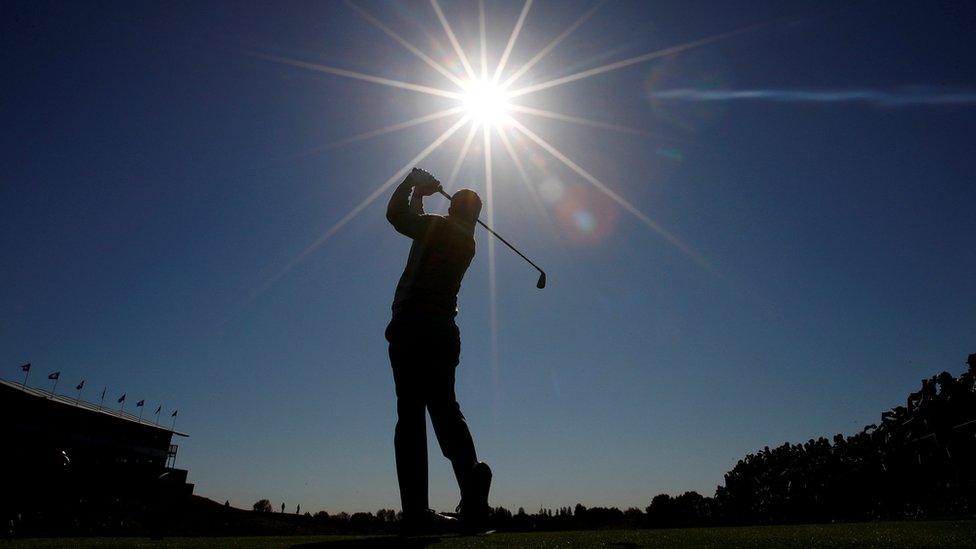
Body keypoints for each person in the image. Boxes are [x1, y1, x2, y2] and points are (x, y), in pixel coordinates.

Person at [385, 168, 492, 534]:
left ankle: (416, 510)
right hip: (444, 332)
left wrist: (411, 184)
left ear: (452, 210)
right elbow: (418, 223)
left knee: (411, 415)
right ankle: (472, 486)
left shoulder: (439, 227)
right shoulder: (466, 241)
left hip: (413, 326)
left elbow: (397, 217)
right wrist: (423, 197)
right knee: (446, 410)